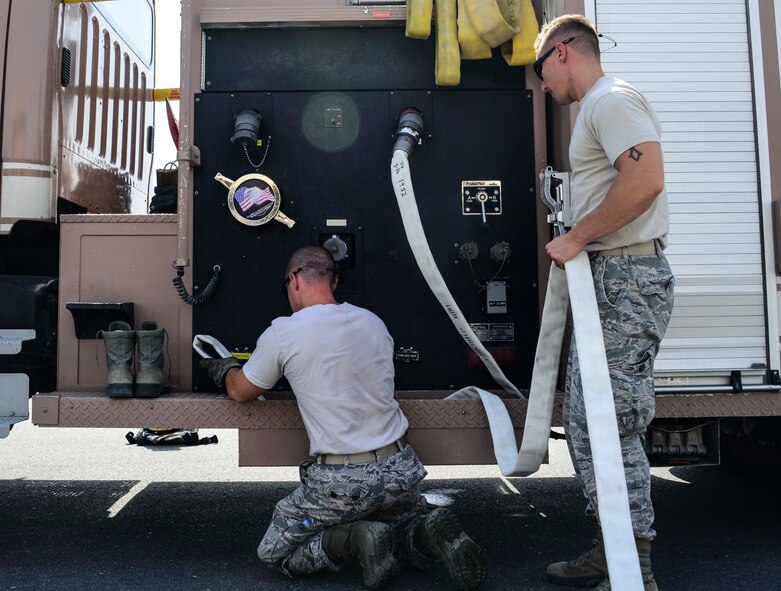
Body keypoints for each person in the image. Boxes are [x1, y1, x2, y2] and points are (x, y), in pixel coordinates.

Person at [200, 245, 487, 590]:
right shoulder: (373, 323)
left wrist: (224, 368)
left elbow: (240, 391)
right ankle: (425, 534)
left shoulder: (284, 332)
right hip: (400, 472)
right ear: (333, 283)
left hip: (343, 484)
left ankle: (355, 538)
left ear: (293, 280)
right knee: (400, 536)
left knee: (275, 553)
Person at [533, 14, 675, 591]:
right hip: (609, 281)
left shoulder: (609, 100)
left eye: (542, 70)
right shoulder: (596, 108)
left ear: (564, 52)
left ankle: (633, 569)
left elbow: (645, 181)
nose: (542, 85)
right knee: (589, 425)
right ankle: (611, 548)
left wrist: (576, 236)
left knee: (609, 424)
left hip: (626, 280)